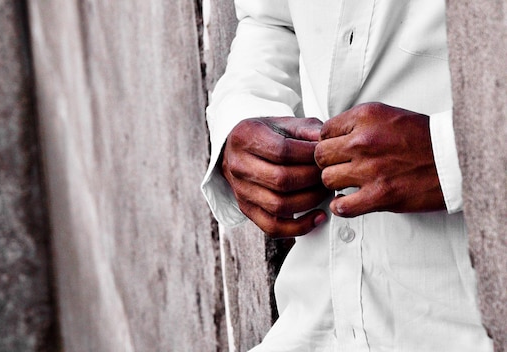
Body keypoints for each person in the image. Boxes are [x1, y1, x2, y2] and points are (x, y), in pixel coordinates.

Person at [201, 0, 493, 351]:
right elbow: (271, 21)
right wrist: (244, 114)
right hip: (317, 325)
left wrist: (455, 154)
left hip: (471, 325)